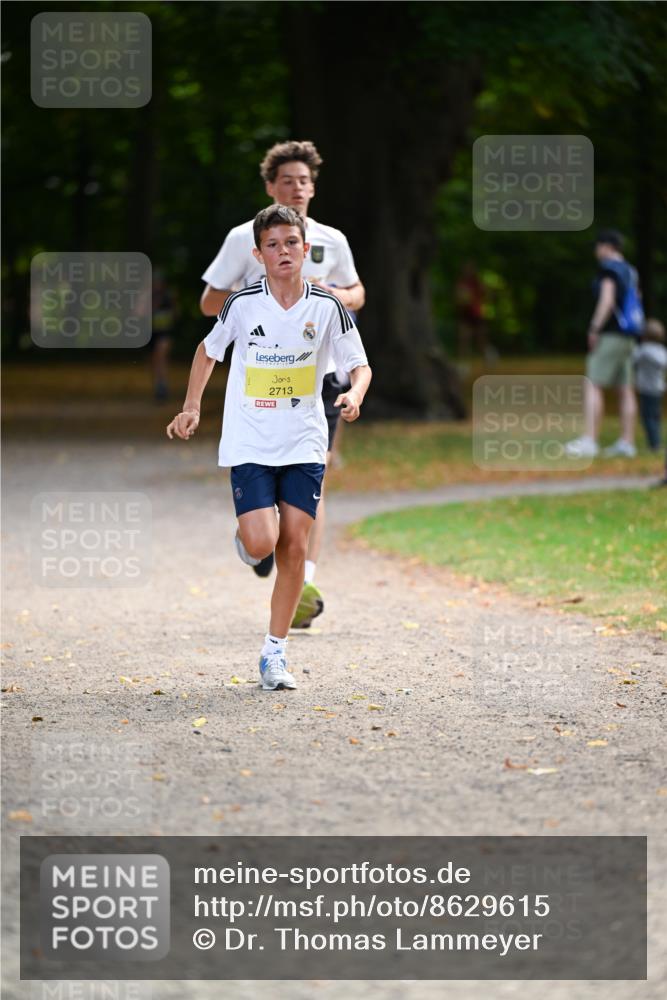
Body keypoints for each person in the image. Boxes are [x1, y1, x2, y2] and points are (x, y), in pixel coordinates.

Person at [167, 205, 371, 691]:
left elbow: (359, 364)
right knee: (263, 543)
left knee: (295, 548)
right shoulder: (242, 305)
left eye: (292, 243)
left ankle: (274, 654)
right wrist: (192, 407)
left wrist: (354, 394)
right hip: (251, 440)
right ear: (258, 254)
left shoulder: (326, 306)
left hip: (303, 440)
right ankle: (247, 538)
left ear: (306, 249)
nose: (284, 252)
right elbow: (207, 351)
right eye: (273, 245)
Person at [200, 140, 365, 629]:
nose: (297, 188)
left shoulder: (331, 240)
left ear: (314, 188)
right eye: (287, 180)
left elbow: (358, 292)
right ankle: (258, 540)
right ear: (270, 186)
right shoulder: (242, 239)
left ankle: (304, 575)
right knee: (265, 502)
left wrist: (333, 294)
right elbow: (208, 303)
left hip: (322, 376)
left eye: (304, 181)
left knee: (319, 469)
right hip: (262, 381)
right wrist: (259, 293)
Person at [566, 229, 641, 459]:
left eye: (598, 246)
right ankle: (627, 442)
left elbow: (607, 300)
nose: (596, 251)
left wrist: (595, 327)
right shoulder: (630, 270)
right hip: (629, 334)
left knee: (593, 384)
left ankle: (590, 439)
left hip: (610, 334)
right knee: (625, 389)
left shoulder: (609, 269)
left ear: (607, 246)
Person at [634, 318, 667, 451]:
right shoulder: (662, 351)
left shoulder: (642, 351)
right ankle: (656, 441)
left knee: (647, 417)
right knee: (655, 416)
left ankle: (654, 444)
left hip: (646, 389)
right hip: (658, 388)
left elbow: (633, 360)